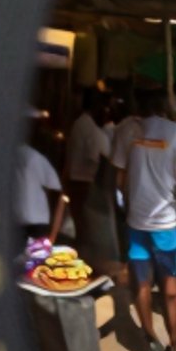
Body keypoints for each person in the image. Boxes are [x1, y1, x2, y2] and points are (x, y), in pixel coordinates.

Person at [110, 87, 176, 351]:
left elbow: (119, 180)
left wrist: (132, 201)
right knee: (171, 293)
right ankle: (172, 350)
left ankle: (152, 342)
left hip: (140, 226)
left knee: (142, 289)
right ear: (167, 105)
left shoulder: (125, 132)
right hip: (165, 228)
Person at [57, 88, 112, 246]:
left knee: (81, 226)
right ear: (96, 106)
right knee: (84, 227)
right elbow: (96, 158)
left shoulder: (80, 124)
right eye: (103, 106)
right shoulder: (89, 129)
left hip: (77, 181)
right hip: (83, 183)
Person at [15, 135, 62, 245]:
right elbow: (55, 186)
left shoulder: (9, 155)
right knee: (36, 256)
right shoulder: (36, 158)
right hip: (37, 219)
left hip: (16, 216)